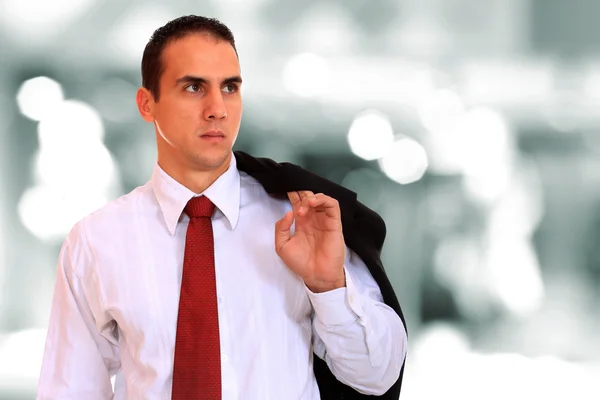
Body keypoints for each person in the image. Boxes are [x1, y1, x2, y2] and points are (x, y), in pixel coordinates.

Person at [36, 15, 407, 400]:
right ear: (147, 104)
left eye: (229, 87)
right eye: (194, 87)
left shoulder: (301, 221)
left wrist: (328, 286)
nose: (217, 108)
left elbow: (375, 376)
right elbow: (70, 391)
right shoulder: (96, 242)